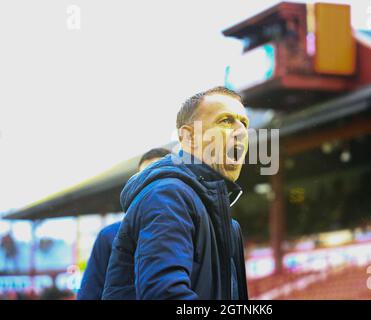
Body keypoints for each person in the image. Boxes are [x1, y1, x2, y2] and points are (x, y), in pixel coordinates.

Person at [102, 86, 249, 300]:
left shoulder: (226, 223)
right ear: (189, 137)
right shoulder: (168, 196)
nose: (241, 131)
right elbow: (164, 295)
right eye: (226, 120)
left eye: (244, 123)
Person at [77, 148, 171, 300]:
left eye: (160, 178)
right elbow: (90, 293)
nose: (152, 187)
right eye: (145, 179)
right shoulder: (110, 236)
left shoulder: (198, 230)